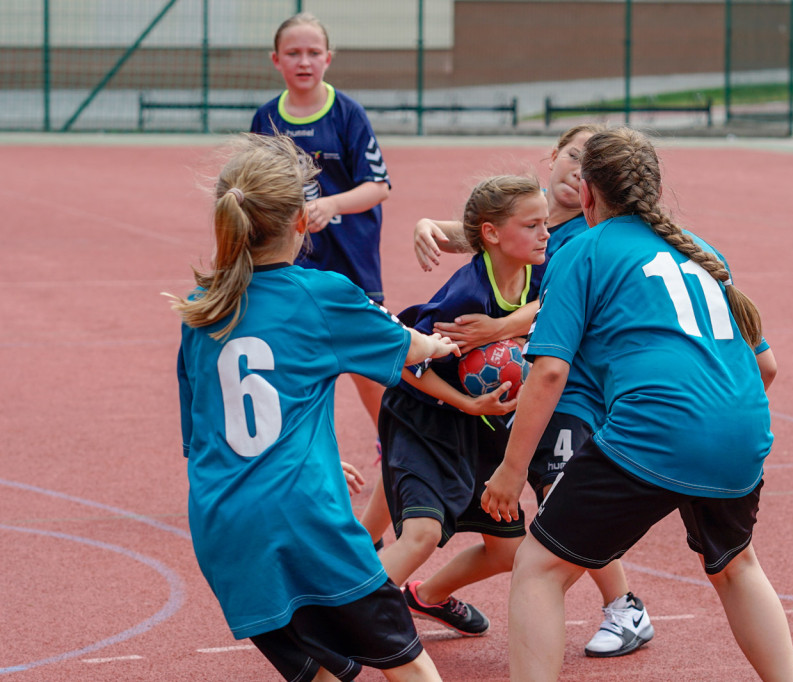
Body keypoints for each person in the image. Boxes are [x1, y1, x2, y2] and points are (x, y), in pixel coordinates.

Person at [481, 127, 793, 681]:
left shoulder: (582, 250)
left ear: (586, 192)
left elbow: (550, 370)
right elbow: (766, 367)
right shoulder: (701, 252)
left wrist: (510, 471)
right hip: (744, 426)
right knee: (736, 566)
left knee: (538, 567)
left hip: (657, 427)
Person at [170, 133, 455, 682]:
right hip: (302, 519)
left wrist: (315, 456)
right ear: (304, 221)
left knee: (323, 674)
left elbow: (214, 435)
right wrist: (441, 344)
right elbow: (410, 348)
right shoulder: (322, 294)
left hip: (223, 528)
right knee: (410, 666)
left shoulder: (201, 311)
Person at [412, 124, 658, 658]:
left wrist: (498, 329)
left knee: (561, 498)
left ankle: (625, 607)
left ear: (597, 184)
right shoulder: (535, 211)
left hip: (566, 385)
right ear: (553, 156)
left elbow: (556, 300)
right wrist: (428, 225)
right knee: (508, 525)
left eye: (588, 164)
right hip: (515, 391)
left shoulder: (586, 233)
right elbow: (484, 228)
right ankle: (421, 591)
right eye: (572, 154)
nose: (577, 169)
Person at [376, 175, 549, 637]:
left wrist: (502, 331)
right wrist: (466, 403)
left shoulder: (541, 270)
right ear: (491, 234)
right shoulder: (466, 296)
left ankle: (425, 597)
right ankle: (336, 625)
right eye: (532, 225)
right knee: (422, 535)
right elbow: (406, 361)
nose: (545, 234)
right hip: (426, 418)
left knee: (508, 551)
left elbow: (552, 302)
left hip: (483, 424)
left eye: (546, 223)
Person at [251, 12, 392, 538]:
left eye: (313, 52)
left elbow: (378, 186)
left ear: (328, 59)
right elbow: (253, 190)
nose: (304, 61)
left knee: (367, 365)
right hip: (289, 262)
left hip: (351, 260)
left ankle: (394, 442)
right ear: (276, 61)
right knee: (294, 360)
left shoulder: (348, 114)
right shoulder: (267, 118)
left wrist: (331, 204)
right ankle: (296, 456)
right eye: (294, 53)